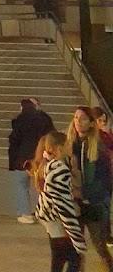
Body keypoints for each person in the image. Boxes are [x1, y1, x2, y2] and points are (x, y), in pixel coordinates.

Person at [31, 130, 86, 272]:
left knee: (59, 259)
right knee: (73, 259)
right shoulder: (60, 169)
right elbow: (62, 202)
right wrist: (73, 229)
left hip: (50, 217)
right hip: (57, 219)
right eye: (67, 144)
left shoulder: (50, 165)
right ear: (60, 148)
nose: (70, 146)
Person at [67, 105, 113, 271]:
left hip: (94, 202)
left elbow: (104, 180)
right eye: (76, 117)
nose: (78, 121)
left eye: (83, 118)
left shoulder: (98, 147)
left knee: (99, 245)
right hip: (74, 203)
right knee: (75, 247)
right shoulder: (69, 145)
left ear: (92, 123)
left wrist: (85, 193)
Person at [9, 97, 55, 224]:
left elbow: (14, 141)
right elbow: (52, 137)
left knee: (22, 185)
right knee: (43, 186)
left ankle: (25, 213)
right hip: (41, 157)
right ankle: (45, 211)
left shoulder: (20, 120)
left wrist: (13, 161)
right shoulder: (45, 119)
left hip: (22, 158)